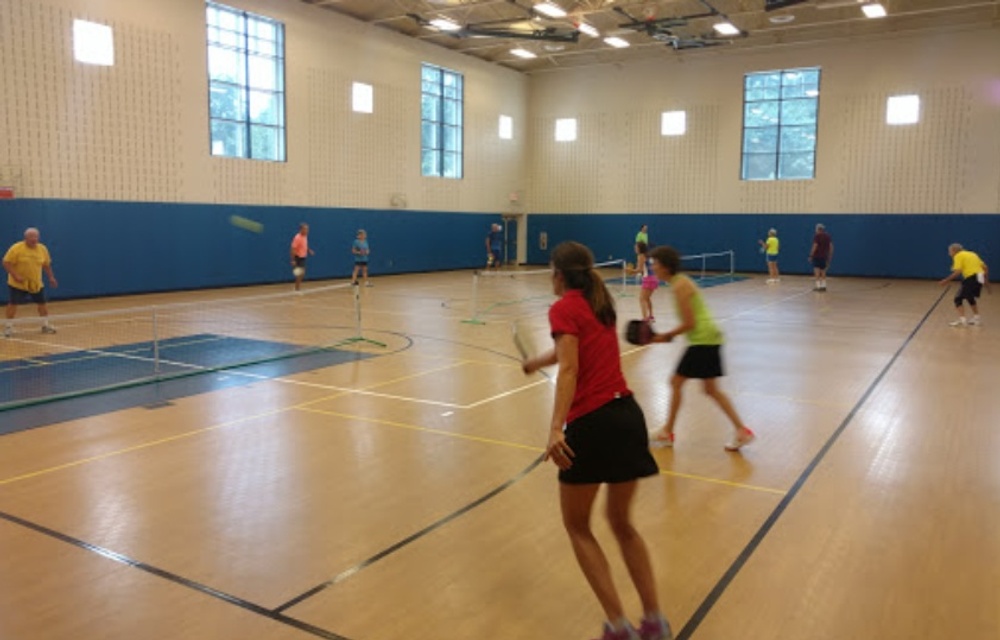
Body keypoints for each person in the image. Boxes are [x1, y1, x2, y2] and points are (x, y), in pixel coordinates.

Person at [521, 241, 671, 640]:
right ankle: (654, 622)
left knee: (577, 526)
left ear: (558, 274)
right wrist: (537, 361)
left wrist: (555, 428)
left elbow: (569, 368)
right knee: (622, 524)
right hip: (627, 418)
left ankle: (618, 627)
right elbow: (570, 350)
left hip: (592, 425)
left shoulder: (563, 308)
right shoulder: (599, 304)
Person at [647, 245, 755, 452]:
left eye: (656, 265)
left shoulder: (680, 286)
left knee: (676, 382)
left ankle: (667, 432)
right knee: (711, 390)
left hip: (703, 340)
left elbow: (690, 323)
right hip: (708, 338)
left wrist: (666, 336)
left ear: (666, 267)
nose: (654, 269)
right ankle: (741, 431)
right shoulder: (679, 283)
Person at [4, 227, 58, 337]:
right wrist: (15, 275)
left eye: (36, 237)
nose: (34, 239)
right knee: (13, 304)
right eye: (31, 237)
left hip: (36, 283)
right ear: (26, 238)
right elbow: (6, 262)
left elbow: (46, 265)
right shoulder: (16, 248)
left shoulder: (42, 249)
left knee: (42, 304)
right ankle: (8, 327)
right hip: (18, 284)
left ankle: (45, 325)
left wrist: (51, 278)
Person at [939, 243, 989, 327]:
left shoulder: (958, 256)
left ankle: (962, 320)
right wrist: (986, 280)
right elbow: (985, 267)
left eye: (950, 251)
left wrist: (946, 280)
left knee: (957, 298)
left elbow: (958, 271)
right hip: (979, 277)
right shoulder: (972, 254)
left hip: (971, 277)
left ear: (954, 251)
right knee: (969, 297)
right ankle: (977, 318)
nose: (949, 254)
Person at [628, 241, 657, 322]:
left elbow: (639, 270)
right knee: (647, 298)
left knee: (642, 299)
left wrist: (630, 271)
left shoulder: (640, 256)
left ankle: (645, 319)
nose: (635, 248)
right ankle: (651, 316)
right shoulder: (649, 256)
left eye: (636, 247)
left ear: (639, 248)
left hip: (648, 279)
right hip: (654, 278)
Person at [290, 223, 315, 292]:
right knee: (300, 273)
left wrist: (309, 250)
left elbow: (305, 245)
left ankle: (297, 288)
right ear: (301, 229)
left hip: (303, 257)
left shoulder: (305, 237)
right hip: (298, 257)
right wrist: (293, 260)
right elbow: (292, 249)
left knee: (301, 273)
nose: (307, 231)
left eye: (307, 229)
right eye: (306, 229)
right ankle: (297, 289)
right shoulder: (297, 238)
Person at [808, 223, 833, 292]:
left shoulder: (817, 236)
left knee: (816, 270)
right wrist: (830, 255)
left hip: (817, 256)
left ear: (818, 229)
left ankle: (818, 286)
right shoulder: (828, 236)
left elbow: (814, 246)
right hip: (824, 256)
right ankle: (824, 286)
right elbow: (831, 246)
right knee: (823, 271)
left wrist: (811, 255)